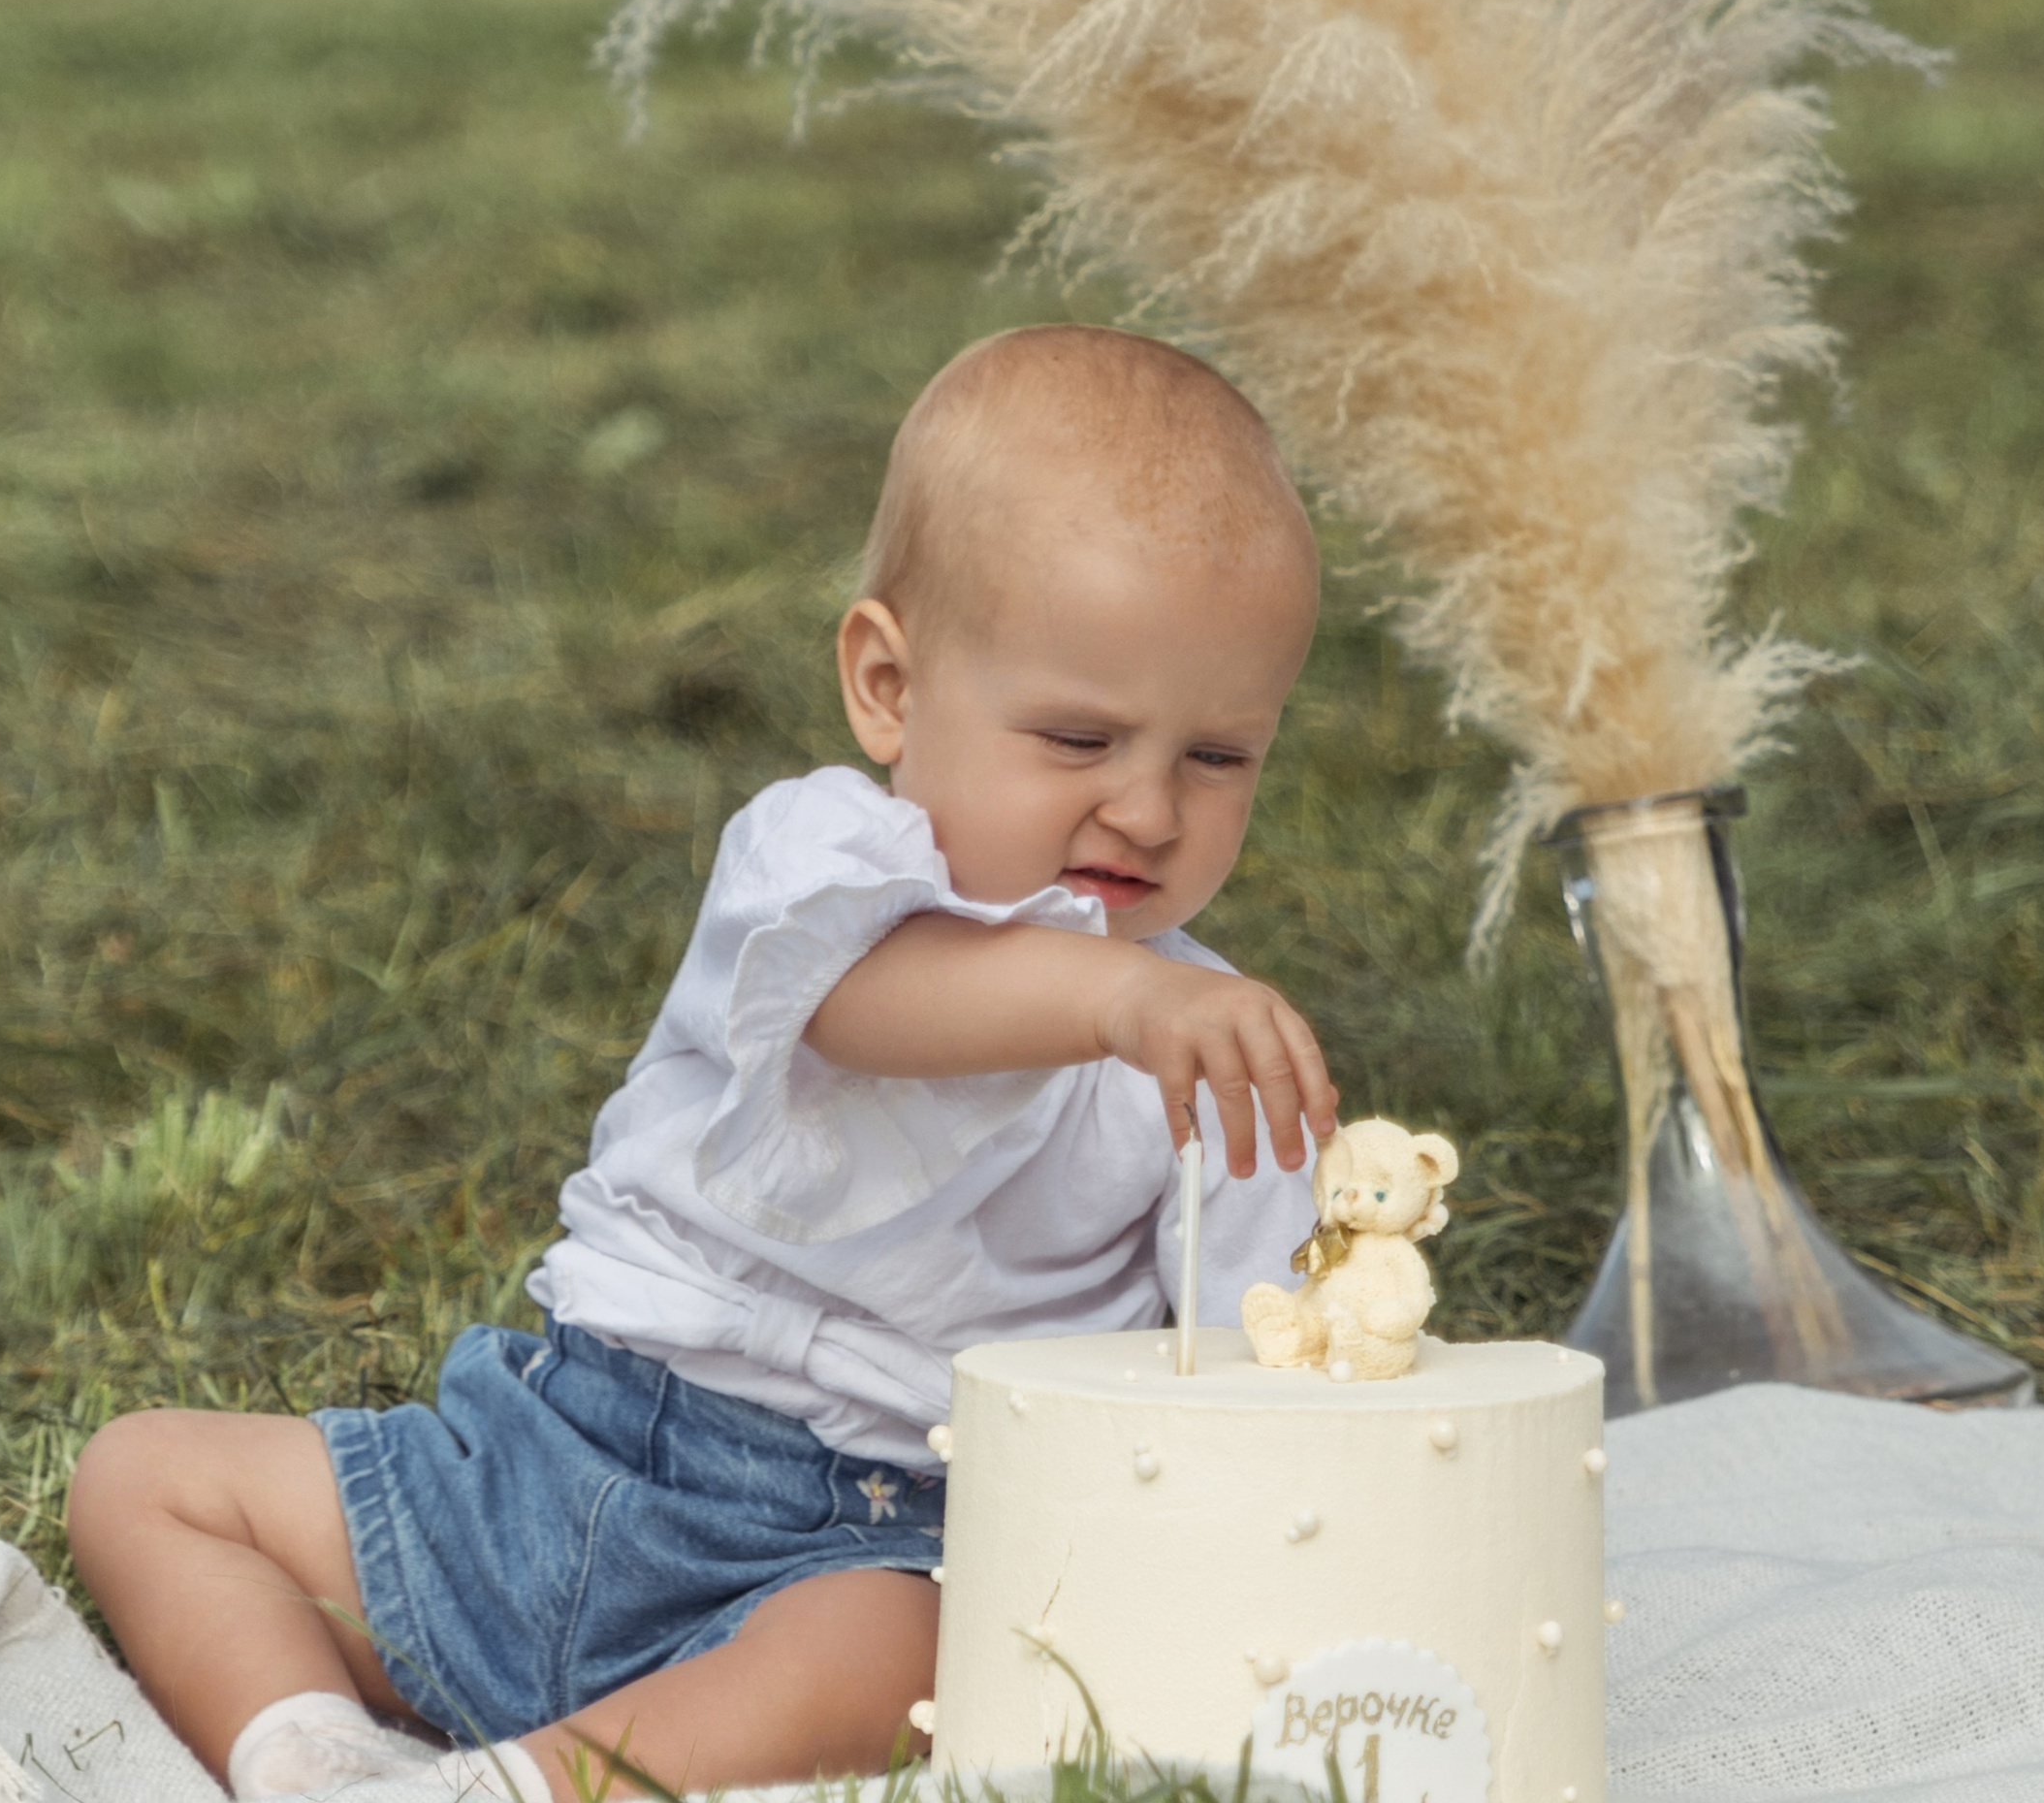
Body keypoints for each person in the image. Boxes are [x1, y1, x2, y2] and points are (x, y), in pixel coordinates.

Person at [66, 323, 1338, 1800]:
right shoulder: (817, 863)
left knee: (917, 1669)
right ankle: (307, 1750)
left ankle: (512, 1785)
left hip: (851, 1543)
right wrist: (1116, 1003)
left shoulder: (1209, 1052)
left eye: (1218, 757)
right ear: (888, 686)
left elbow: (1249, 1382)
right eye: (1077, 737)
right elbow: (868, 1011)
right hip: (556, 1447)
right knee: (148, 1478)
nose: (1146, 809)